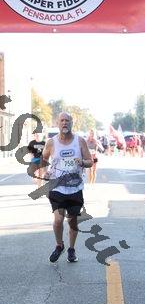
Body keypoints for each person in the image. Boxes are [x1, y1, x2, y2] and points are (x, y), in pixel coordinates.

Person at [42, 112, 93, 263]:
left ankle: (71, 249)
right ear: (58, 123)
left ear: (72, 123)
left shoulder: (80, 141)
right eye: (62, 120)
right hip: (57, 188)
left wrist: (82, 162)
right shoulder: (51, 142)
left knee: (72, 221)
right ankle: (59, 245)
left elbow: (90, 161)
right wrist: (45, 171)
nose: (64, 123)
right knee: (58, 220)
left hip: (75, 188)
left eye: (67, 120)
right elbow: (44, 158)